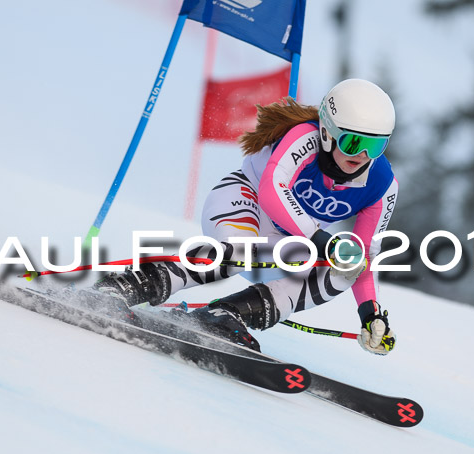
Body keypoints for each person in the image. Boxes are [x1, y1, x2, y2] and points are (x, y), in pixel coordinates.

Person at [95, 78, 398, 356]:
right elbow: (271, 190)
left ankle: (227, 315)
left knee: (348, 267)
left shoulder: (382, 185)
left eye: (376, 146)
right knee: (240, 250)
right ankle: (126, 286)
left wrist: (370, 313)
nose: (362, 156)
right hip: (243, 203)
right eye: (353, 142)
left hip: (286, 242)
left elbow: (366, 256)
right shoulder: (304, 138)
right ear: (327, 132)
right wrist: (320, 238)